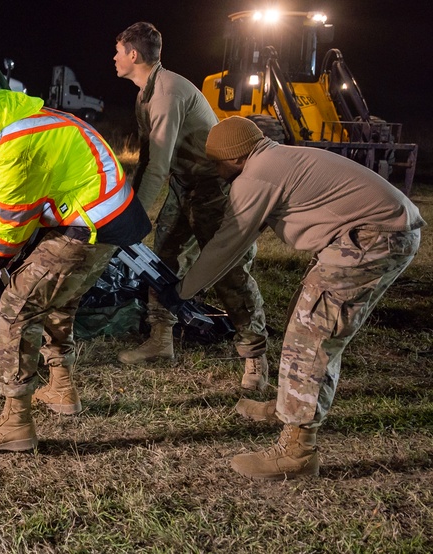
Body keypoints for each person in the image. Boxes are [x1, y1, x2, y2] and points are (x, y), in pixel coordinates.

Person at [171, 116, 424, 479]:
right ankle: (288, 404)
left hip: (372, 237)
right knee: (303, 317)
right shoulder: (275, 159)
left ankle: (296, 453)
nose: (215, 169)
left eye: (216, 162)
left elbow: (228, 243)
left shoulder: (256, 177)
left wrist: (181, 291)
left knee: (311, 337)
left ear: (233, 158)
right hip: (380, 231)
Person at [0, 79, 151, 452]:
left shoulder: (11, 146)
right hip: (101, 216)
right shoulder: (17, 120)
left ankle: (15, 423)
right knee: (55, 298)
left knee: (16, 309)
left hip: (89, 224)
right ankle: (61, 387)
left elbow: (13, 224)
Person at [113, 22, 269, 391]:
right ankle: (161, 340)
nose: (114, 57)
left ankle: (255, 359)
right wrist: (129, 206)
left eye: (118, 51)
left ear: (133, 55)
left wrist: (132, 216)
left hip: (212, 186)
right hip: (187, 184)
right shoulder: (146, 93)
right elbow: (148, 157)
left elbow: (157, 165)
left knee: (227, 268)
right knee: (162, 258)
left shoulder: (166, 93)